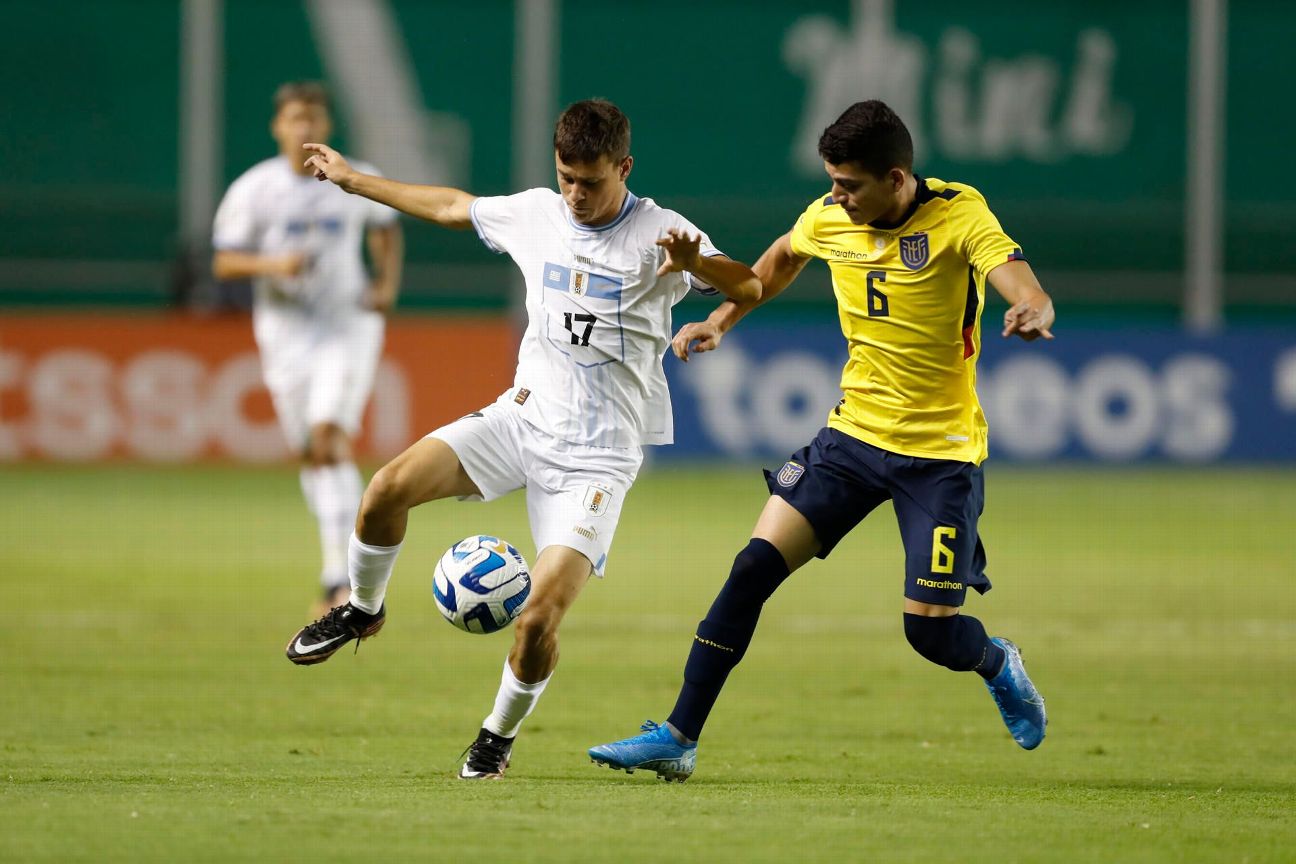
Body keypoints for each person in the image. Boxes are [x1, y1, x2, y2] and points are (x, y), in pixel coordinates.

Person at [282, 99, 761, 780]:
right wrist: (353, 180)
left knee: (536, 621)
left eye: (591, 182)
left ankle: (495, 737)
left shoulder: (665, 232)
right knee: (385, 490)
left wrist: (702, 269)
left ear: (623, 168)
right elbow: (451, 206)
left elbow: (750, 283)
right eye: (566, 177)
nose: (576, 194)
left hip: (597, 458)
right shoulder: (539, 212)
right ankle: (361, 610)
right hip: (521, 419)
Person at [588, 100, 1054, 782]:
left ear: (897, 179)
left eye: (850, 185)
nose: (836, 197)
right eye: (832, 182)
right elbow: (777, 261)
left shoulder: (959, 215)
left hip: (940, 458)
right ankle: (679, 735)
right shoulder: (830, 216)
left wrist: (1032, 306)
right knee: (750, 571)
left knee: (929, 632)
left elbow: (1014, 274)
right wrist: (722, 319)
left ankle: (995, 660)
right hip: (850, 440)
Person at [212, 81, 404, 614]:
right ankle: (336, 572)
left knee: (328, 439)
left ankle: (339, 580)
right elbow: (224, 262)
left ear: (327, 125)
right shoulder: (254, 190)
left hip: (347, 325)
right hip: (285, 335)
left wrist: (385, 283)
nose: (306, 129)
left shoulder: (351, 176)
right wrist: (272, 265)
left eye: (314, 119)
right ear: (278, 126)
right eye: (296, 119)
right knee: (310, 452)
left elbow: (385, 227)